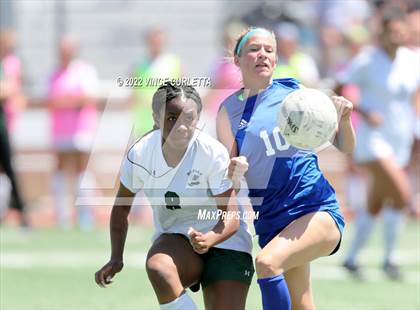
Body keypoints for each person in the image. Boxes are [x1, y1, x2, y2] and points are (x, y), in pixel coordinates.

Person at [216, 27, 355, 310]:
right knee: (302, 305)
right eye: (254, 49)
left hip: (315, 209)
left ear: (276, 59)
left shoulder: (295, 93)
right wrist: (235, 170)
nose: (262, 55)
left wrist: (344, 119)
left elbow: (345, 146)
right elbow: (229, 178)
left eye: (269, 50)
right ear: (237, 59)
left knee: (267, 263)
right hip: (271, 220)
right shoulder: (227, 111)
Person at [95, 82, 254, 310]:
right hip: (178, 241)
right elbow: (121, 208)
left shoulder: (211, 152)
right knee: (159, 267)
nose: (181, 126)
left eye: (189, 118)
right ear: (156, 117)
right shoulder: (141, 153)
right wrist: (116, 257)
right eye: (171, 117)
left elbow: (231, 218)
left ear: (198, 119)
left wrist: (208, 239)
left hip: (226, 242)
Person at [338, 8, 419, 280]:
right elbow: (340, 85)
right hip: (373, 139)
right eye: (391, 31)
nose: (396, 36)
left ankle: (355, 259)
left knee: (377, 202)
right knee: (403, 194)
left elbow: (413, 97)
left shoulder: (412, 59)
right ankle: (390, 258)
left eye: (400, 31)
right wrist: (361, 110)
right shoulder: (367, 59)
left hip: (401, 137)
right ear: (381, 32)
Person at [48, 36, 99, 230]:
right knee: (60, 170)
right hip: (60, 131)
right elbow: (51, 100)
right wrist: (71, 100)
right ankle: (62, 216)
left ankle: (84, 215)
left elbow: (88, 98)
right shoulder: (54, 73)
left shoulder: (85, 71)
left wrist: (66, 100)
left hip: (82, 130)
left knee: (82, 171)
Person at [0, 30, 28, 226]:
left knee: (9, 168)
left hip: (5, 125)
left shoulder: (11, 63)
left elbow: (10, 90)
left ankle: (22, 213)